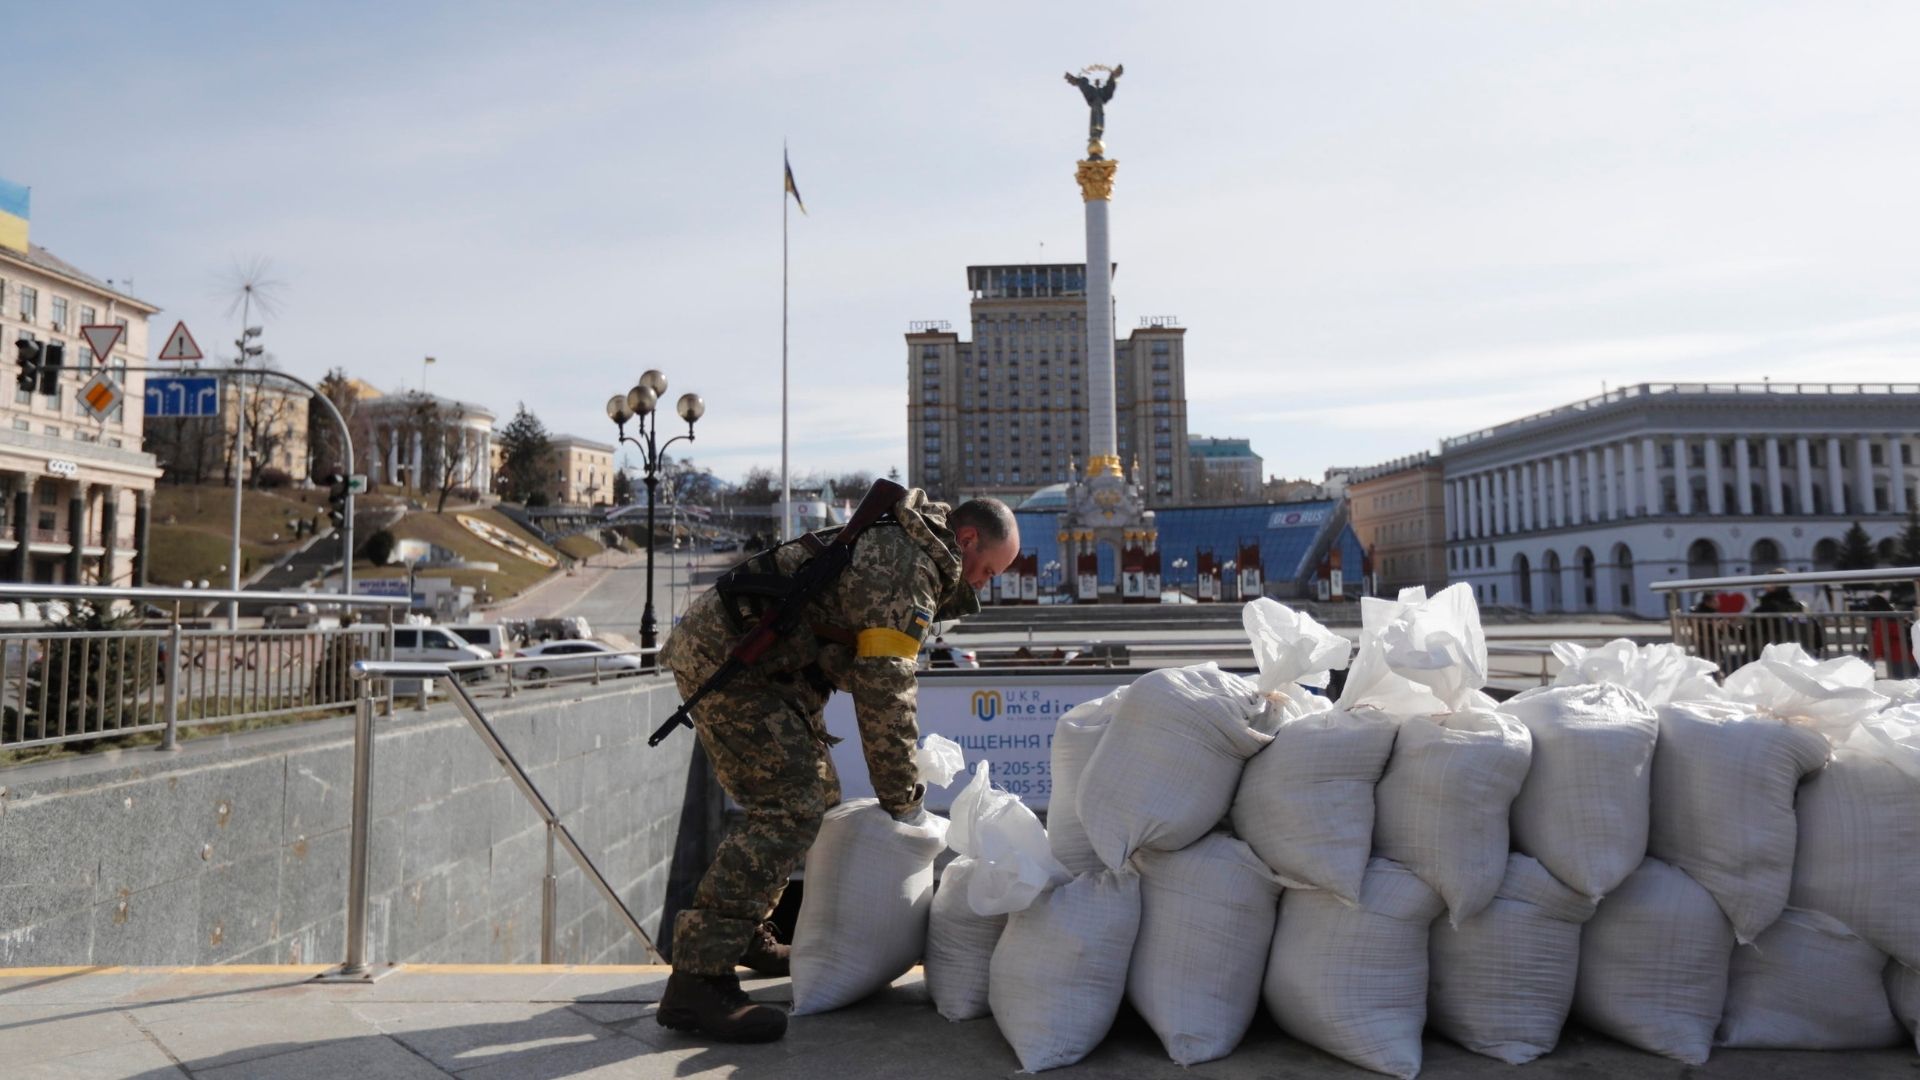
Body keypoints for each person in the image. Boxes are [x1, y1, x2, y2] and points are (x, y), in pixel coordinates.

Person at [655, 490, 1019, 1042]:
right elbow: (884, 688)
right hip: (731, 660)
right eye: (987, 569)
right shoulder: (906, 564)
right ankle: (698, 979)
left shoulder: (912, 548)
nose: (982, 584)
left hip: (763, 668)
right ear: (966, 540)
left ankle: (745, 931)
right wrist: (904, 798)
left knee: (815, 798)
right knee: (789, 807)